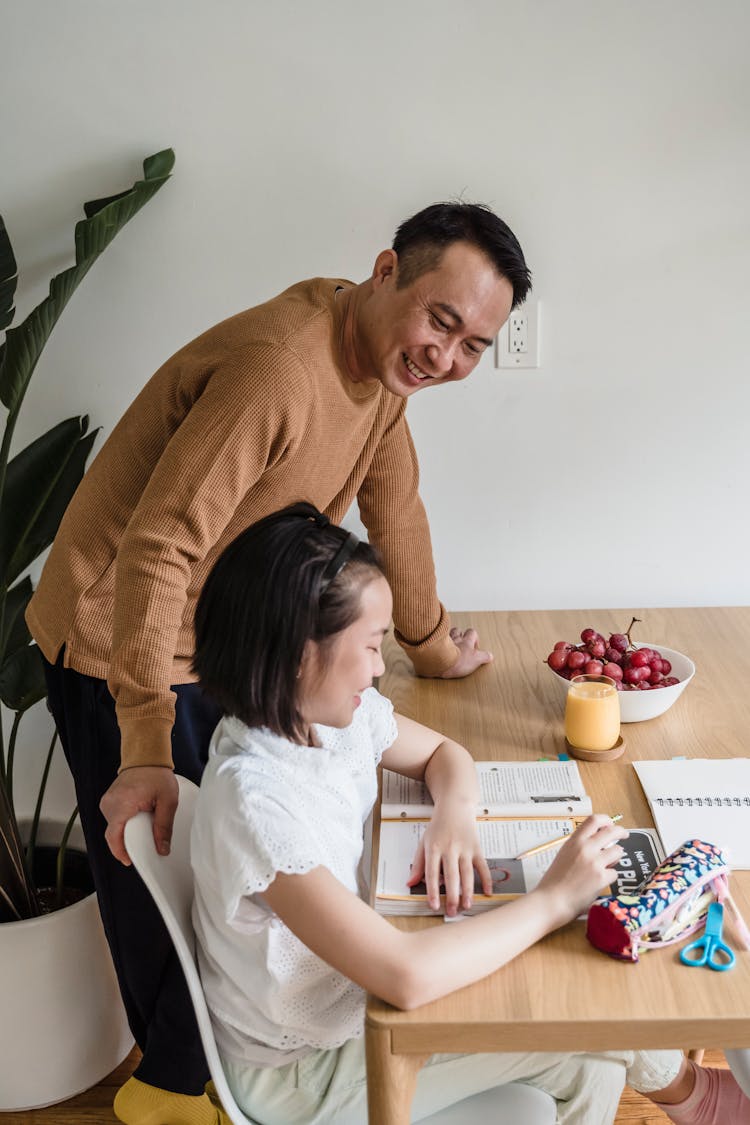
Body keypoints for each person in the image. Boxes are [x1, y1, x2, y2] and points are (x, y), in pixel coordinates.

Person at [27, 202, 532, 1124]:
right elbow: (159, 547)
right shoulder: (279, 370)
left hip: (223, 633)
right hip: (121, 634)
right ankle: (176, 1090)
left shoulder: (383, 373)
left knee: (234, 866)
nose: (446, 355)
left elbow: (397, 505)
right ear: (387, 272)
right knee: (164, 876)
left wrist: (426, 640)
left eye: (474, 345)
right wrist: (145, 738)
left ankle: (235, 1066)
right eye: (440, 320)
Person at [188, 502, 750, 1125]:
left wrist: (452, 816)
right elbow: (403, 976)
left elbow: (443, 753)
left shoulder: (319, 721)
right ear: (299, 651)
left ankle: (694, 1095)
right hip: (304, 1072)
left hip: (349, 998)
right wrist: (555, 900)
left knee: (587, 1050)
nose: (379, 667)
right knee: (581, 1027)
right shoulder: (257, 803)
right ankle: (696, 1096)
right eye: (371, 646)